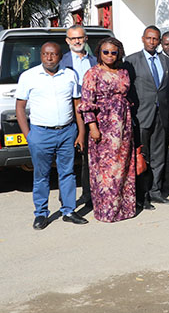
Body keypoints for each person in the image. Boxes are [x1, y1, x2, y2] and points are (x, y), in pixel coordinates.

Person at [16, 42, 88, 229]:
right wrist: (28, 135)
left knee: (68, 173)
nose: (49, 58)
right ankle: (41, 213)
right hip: (40, 133)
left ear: (59, 56)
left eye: (53, 54)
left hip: (66, 132)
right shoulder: (29, 76)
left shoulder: (70, 75)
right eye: (45, 54)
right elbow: (20, 108)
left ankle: (69, 210)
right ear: (40, 55)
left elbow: (77, 106)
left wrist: (81, 132)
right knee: (41, 175)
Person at [78, 37, 137, 222]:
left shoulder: (123, 72)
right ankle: (107, 211)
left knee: (123, 167)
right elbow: (86, 104)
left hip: (123, 127)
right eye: (106, 52)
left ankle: (124, 209)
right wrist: (93, 127)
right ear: (99, 53)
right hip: (103, 126)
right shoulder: (92, 74)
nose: (110, 55)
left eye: (114, 52)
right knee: (105, 171)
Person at [125, 26, 169, 208]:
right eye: (149, 38)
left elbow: (167, 90)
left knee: (159, 156)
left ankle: (155, 192)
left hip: (161, 116)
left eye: (156, 39)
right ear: (143, 39)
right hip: (142, 116)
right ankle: (141, 197)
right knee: (141, 158)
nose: (152, 42)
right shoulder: (131, 61)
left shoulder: (165, 61)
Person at [60, 24, 97, 207]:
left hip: (92, 117)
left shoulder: (95, 61)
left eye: (80, 38)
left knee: (89, 158)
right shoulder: (61, 62)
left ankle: (88, 195)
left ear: (86, 39)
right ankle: (65, 199)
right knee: (67, 159)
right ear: (68, 41)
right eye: (73, 38)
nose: (77, 41)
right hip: (69, 117)